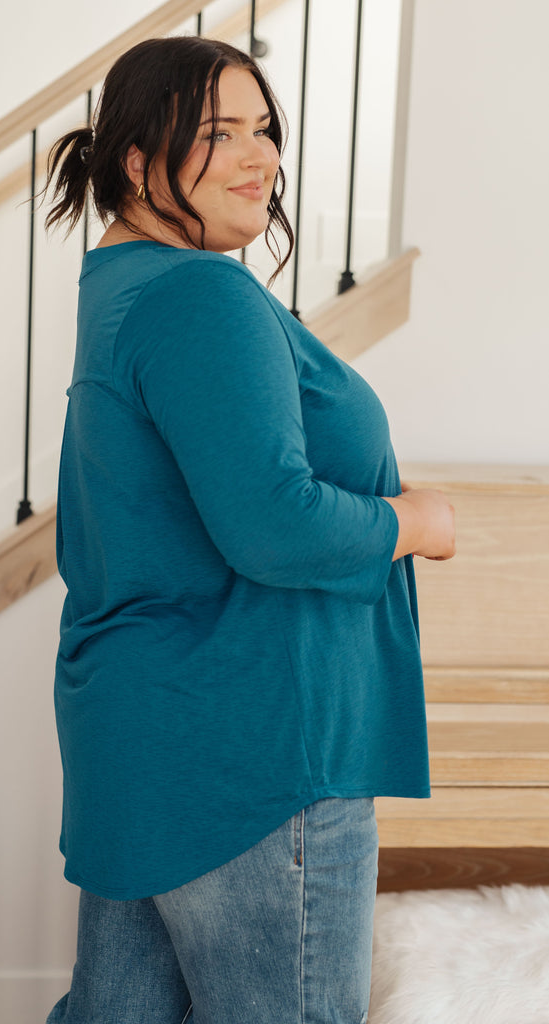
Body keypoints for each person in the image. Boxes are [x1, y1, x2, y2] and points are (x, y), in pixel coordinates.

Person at [44, 35, 455, 1024]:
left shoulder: (121, 284)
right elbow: (274, 527)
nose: (258, 156)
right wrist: (411, 521)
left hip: (154, 736)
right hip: (256, 750)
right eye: (218, 132)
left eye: (263, 128)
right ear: (136, 161)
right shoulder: (199, 295)